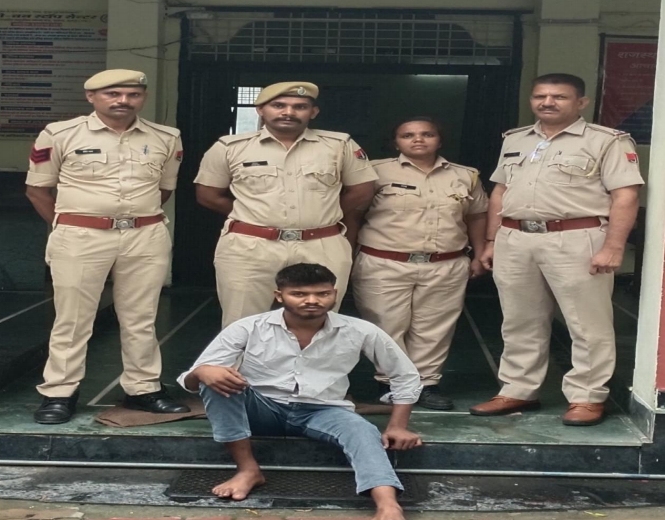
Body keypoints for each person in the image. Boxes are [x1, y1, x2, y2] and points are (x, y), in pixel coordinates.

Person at [178, 263, 422, 520]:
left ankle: (388, 504)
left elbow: (405, 375)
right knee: (215, 378)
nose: (312, 301)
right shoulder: (249, 327)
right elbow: (191, 380)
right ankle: (248, 470)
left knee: (363, 431)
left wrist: (398, 426)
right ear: (279, 295)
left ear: (335, 294)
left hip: (324, 411)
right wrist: (202, 372)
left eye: (322, 293)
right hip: (262, 408)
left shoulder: (360, 330)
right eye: (299, 294)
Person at [469, 73, 644, 426]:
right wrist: (491, 241)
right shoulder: (516, 139)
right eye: (540, 96)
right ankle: (518, 389)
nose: (547, 102)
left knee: (586, 322)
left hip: (577, 237)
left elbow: (625, 195)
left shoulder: (606, 141)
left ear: (581, 102)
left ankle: (587, 396)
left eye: (559, 97)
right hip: (515, 238)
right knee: (519, 319)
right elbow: (500, 191)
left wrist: (613, 247)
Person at [26, 69, 190, 424]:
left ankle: (143, 389)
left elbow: (164, 189)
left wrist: (128, 219)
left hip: (144, 235)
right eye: (112, 94)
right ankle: (59, 393)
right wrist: (71, 225)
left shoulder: (166, 137)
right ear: (91, 97)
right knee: (72, 318)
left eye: (133, 94)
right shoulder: (59, 134)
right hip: (80, 236)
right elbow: (37, 190)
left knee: (141, 317)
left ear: (143, 97)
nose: (123, 101)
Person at [194, 82, 378, 328]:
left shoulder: (339, 145)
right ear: (260, 110)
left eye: (299, 106)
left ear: (313, 112)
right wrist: (255, 215)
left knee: (320, 321)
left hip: (321, 243)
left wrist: (321, 213)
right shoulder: (230, 147)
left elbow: (362, 190)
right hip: (251, 246)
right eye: (279, 105)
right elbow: (208, 194)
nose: (288, 112)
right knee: (243, 323)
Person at [352, 116, 488, 410]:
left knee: (434, 328)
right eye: (408, 135)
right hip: (384, 261)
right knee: (386, 326)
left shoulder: (465, 176)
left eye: (427, 134)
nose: (418, 139)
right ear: (395, 142)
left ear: (439, 140)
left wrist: (479, 254)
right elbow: (353, 213)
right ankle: (392, 385)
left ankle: (426, 385)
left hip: (445, 263)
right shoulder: (375, 172)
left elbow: (477, 216)